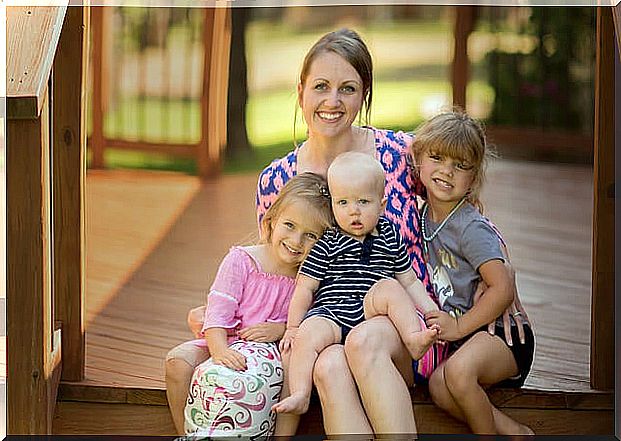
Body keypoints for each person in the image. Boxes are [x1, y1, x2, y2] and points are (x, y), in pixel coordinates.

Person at [176, 28, 530, 436]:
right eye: (321, 87)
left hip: (402, 320)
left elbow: (457, 199)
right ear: (301, 91)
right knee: (327, 366)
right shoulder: (277, 180)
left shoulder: (399, 156)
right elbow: (278, 267)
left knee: (365, 341)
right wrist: (241, 316)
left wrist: (504, 276)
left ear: (364, 95)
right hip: (324, 321)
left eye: (347, 88)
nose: (332, 101)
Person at [272, 152, 440, 416]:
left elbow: (409, 279)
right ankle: (301, 393)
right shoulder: (328, 240)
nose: (354, 211)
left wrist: (430, 310)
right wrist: (293, 326)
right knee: (308, 333)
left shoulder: (389, 235)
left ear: (382, 205)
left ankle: (413, 338)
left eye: (363, 201)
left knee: (390, 288)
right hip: (333, 313)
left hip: (371, 312)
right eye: (343, 202)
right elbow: (305, 287)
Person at [165, 173, 334, 434]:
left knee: (293, 360)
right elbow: (217, 314)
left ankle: (281, 436)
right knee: (177, 361)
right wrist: (219, 350)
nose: (296, 241)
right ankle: (186, 434)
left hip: (278, 351)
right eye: (289, 225)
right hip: (228, 341)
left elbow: (314, 318)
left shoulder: (309, 277)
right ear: (272, 219)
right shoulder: (242, 260)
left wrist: (281, 330)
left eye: (310, 235)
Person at [410, 110, 535, 435]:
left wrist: (458, 326)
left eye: (460, 165)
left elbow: (502, 286)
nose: (446, 171)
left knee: (459, 372)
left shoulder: (469, 227)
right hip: (469, 336)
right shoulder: (424, 217)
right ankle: (514, 432)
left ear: (473, 176)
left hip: (503, 337)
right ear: (419, 158)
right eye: (437, 157)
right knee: (439, 385)